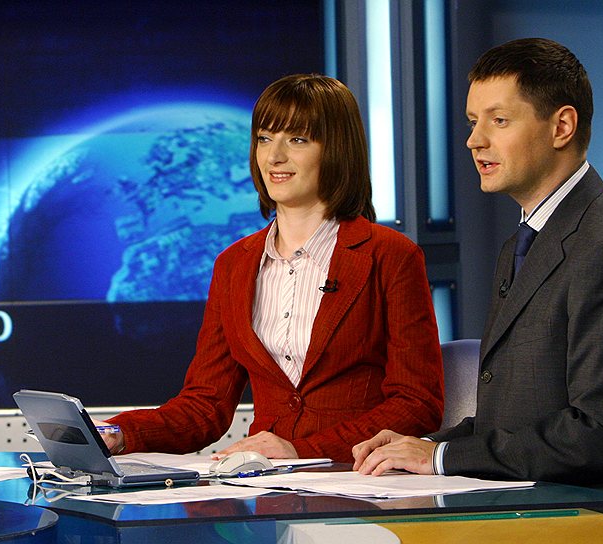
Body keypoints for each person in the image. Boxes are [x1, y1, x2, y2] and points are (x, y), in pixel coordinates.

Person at [352, 38, 603, 543]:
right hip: (532, 505)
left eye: (499, 120)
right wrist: (416, 445)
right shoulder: (525, 241)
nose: (474, 141)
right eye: (473, 122)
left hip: (599, 519)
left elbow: (597, 436)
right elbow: (514, 419)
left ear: (562, 127)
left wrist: (441, 457)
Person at [99, 74, 444, 462]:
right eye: (264, 138)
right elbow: (205, 406)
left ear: (337, 148)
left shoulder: (391, 256)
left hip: (356, 476)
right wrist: (118, 433)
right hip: (262, 481)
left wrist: (301, 451)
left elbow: (417, 403)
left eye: (297, 139)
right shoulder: (234, 264)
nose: (274, 157)